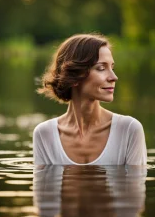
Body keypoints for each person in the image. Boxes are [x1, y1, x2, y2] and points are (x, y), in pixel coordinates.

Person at [33, 33, 147, 165]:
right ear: (74, 77)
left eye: (112, 67)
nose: (113, 77)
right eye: (101, 68)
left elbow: (135, 185)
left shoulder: (129, 130)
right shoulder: (44, 134)